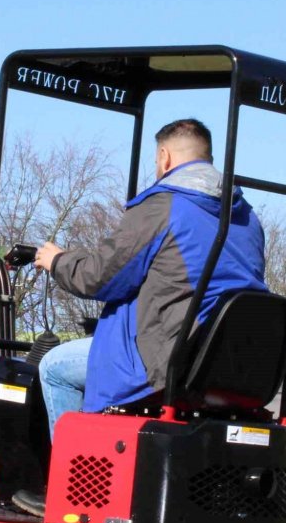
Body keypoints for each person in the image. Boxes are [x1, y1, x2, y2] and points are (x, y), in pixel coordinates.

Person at [31, 117, 267, 454]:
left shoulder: (164, 206)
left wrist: (57, 261)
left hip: (168, 358)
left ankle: (72, 481)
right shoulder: (246, 218)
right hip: (230, 364)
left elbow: (101, 276)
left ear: (164, 157)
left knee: (54, 367)